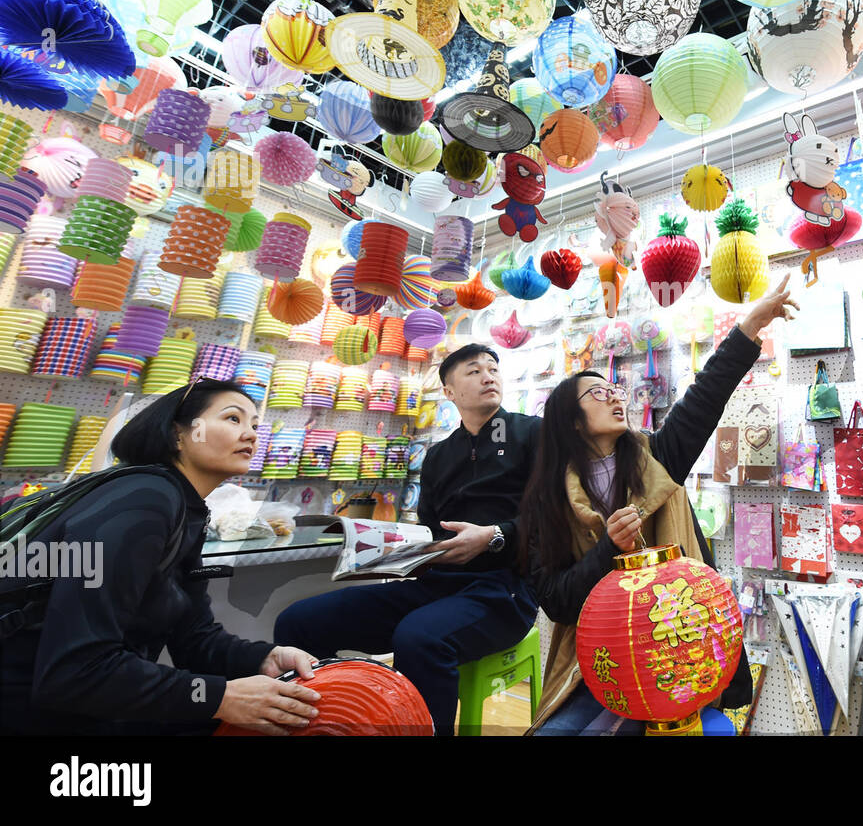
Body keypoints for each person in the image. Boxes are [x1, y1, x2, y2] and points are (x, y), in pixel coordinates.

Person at [520, 276, 799, 734]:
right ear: (570, 421)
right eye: (597, 393)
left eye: (614, 389)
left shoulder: (658, 459)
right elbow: (556, 602)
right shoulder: (547, 503)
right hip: (598, 663)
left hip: (677, 654)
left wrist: (750, 324)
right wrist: (607, 547)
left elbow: (705, 397)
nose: (614, 395)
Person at [0, 378, 321, 736]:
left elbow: (193, 637)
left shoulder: (184, 508)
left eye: (254, 425)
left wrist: (262, 658)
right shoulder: (145, 499)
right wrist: (219, 697)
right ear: (177, 434)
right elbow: (75, 670)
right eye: (233, 418)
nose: (250, 434)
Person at [275, 344, 540, 736]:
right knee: (298, 622)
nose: (488, 376)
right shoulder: (437, 457)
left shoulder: (532, 433)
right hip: (435, 586)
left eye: (493, 368)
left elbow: (556, 517)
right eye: (473, 370)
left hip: (505, 590)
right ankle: (330, 723)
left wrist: (495, 537)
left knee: (419, 637)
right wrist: (389, 552)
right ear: (448, 392)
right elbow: (431, 533)